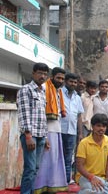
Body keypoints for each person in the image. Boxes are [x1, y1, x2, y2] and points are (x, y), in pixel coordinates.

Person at [17, 62, 49, 194]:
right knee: (30, 169)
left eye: (45, 74)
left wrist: (46, 136)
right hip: (31, 136)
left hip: (41, 135)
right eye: (40, 73)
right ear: (33, 73)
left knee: (35, 168)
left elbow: (43, 116)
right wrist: (28, 136)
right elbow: (24, 114)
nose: (43, 76)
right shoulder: (26, 90)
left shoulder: (42, 92)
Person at [34, 67, 68, 193]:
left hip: (56, 129)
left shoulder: (58, 91)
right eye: (58, 77)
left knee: (54, 161)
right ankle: (39, 187)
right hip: (46, 131)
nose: (60, 80)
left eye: (62, 79)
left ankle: (50, 185)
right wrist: (44, 136)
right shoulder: (44, 88)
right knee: (44, 161)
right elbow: (41, 113)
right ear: (52, 77)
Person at [76, 113, 108, 194]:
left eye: (104, 126)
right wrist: (91, 177)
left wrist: (107, 177)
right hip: (85, 176)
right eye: (98, 126)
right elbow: (79, 166)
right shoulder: (84, 143)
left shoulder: (107, 139)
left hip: (101, 177)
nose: (101, 129)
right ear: (92, 126)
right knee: (95, 192)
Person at [61, 73, 84, 184]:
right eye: (71, 81)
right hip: (59, 130)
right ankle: (56, 180)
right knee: (57, 155)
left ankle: (66, 180)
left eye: (75, 82)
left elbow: (79, 116)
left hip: (72, 131)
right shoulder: (59, 93)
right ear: (66, 81)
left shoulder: (78, 98)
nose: (73, 84)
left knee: (69, 156)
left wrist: (80, 133)